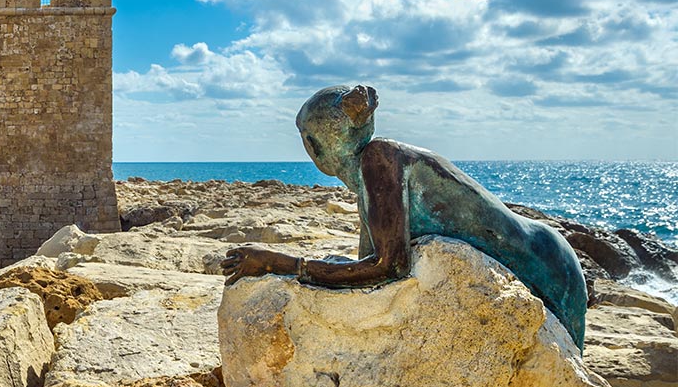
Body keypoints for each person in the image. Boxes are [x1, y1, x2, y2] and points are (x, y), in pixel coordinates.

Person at [222, 84, 587, 350]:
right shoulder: (373, 174)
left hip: (546, 264)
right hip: (546, 251)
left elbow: (388, 266)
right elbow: (363, 270)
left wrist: (280, 263)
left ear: (315, 146)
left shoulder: (379, 159)